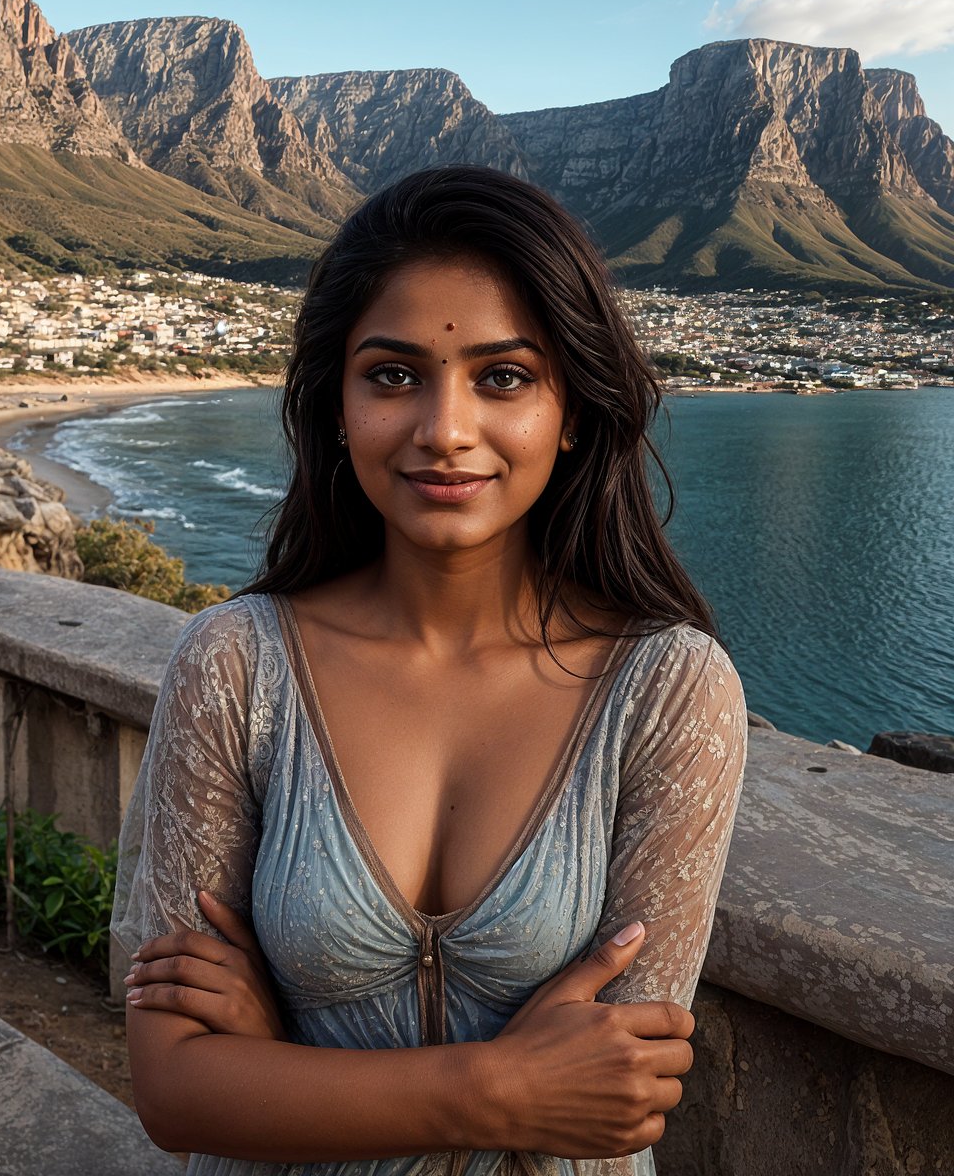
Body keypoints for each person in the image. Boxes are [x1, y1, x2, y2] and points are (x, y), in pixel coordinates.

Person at [112, 165, 747, 1176]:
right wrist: (501, 1087)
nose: (444, 430)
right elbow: (175, 1088)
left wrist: (279, 1054)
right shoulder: (237, 665)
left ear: (572, 408)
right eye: (393, 375)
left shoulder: (667, 691)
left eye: (503, 377)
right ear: (336, 404)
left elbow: (621, 1094)